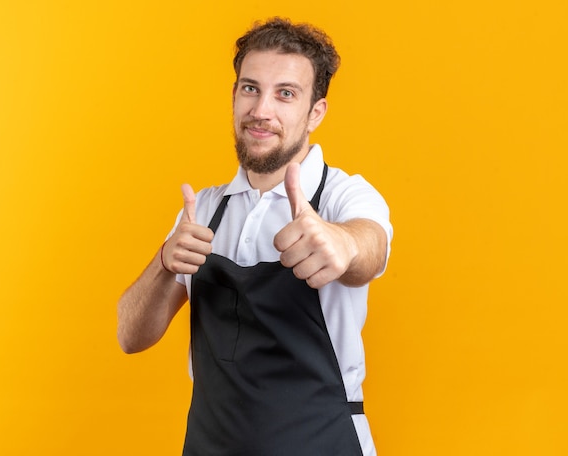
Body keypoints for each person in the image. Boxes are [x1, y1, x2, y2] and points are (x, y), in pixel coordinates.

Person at [117, 17, 393, 456]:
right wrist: (165, 260)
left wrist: (342, 244)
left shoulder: (344, 195)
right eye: (250, 89)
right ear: (233, 96)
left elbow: (369, 247)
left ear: (315, 112)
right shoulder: (203, 209)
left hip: (323, 444)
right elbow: (131, 337)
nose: (261, 110)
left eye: (286, 94)